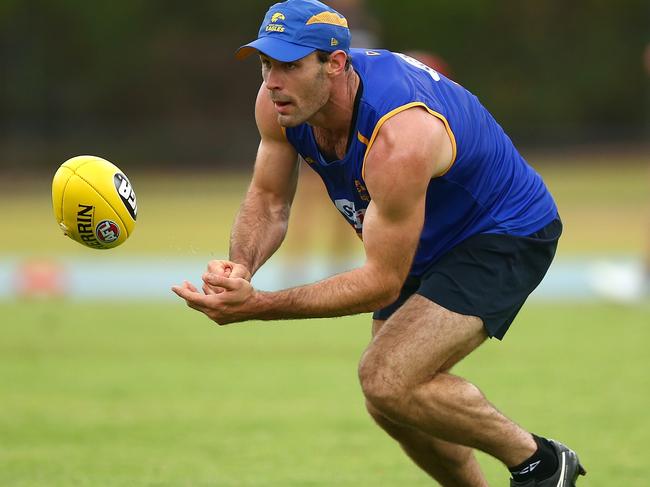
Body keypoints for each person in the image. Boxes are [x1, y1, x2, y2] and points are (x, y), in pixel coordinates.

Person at [172, 1, 586, 485]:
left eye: (290, 65)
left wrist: (260, 305)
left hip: (501, 230)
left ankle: (539, 462)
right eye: (266, 64)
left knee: (389, 378)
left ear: (336, 63)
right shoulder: (278, 104)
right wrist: (242, 268)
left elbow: (382, 282)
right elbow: (267, 199)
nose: (272, 81)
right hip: (423, 236)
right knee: (390, 402)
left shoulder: (399, 135)